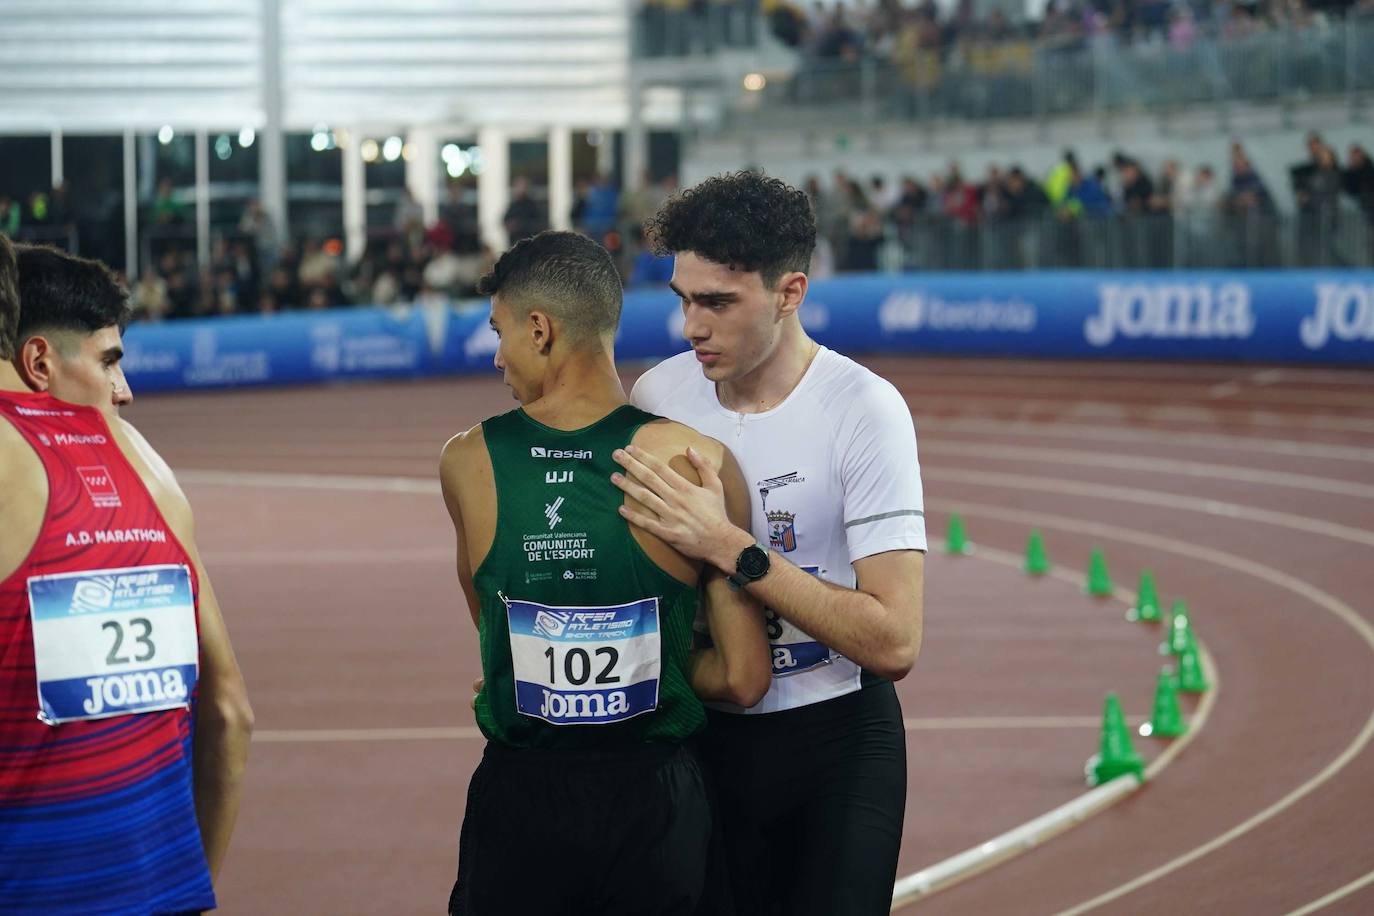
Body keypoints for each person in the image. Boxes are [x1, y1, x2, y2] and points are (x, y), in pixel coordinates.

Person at [612, 171, 926, 916]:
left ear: (790, 293)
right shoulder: (658, 397)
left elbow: (894, 642)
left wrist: (732, 549)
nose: (691, 327)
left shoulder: (864, 410)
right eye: (683, 299)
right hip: (709, 738)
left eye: (718, 302)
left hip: (839, 739)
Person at [439, 231, 770, 915]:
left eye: (500, 332)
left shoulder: (467, 463)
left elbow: (493, 637)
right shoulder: (694, 461)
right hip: (657, 808)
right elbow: (743, 677)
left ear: (540, 330)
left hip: (522, 805)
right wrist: (663, 665)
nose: (497, 355)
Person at [0, 239, 253, 913]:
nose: (126, 392)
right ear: (36, 361)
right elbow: (230, 714)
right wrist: (189, 890)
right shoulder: (149, 467)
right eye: (111, 362)